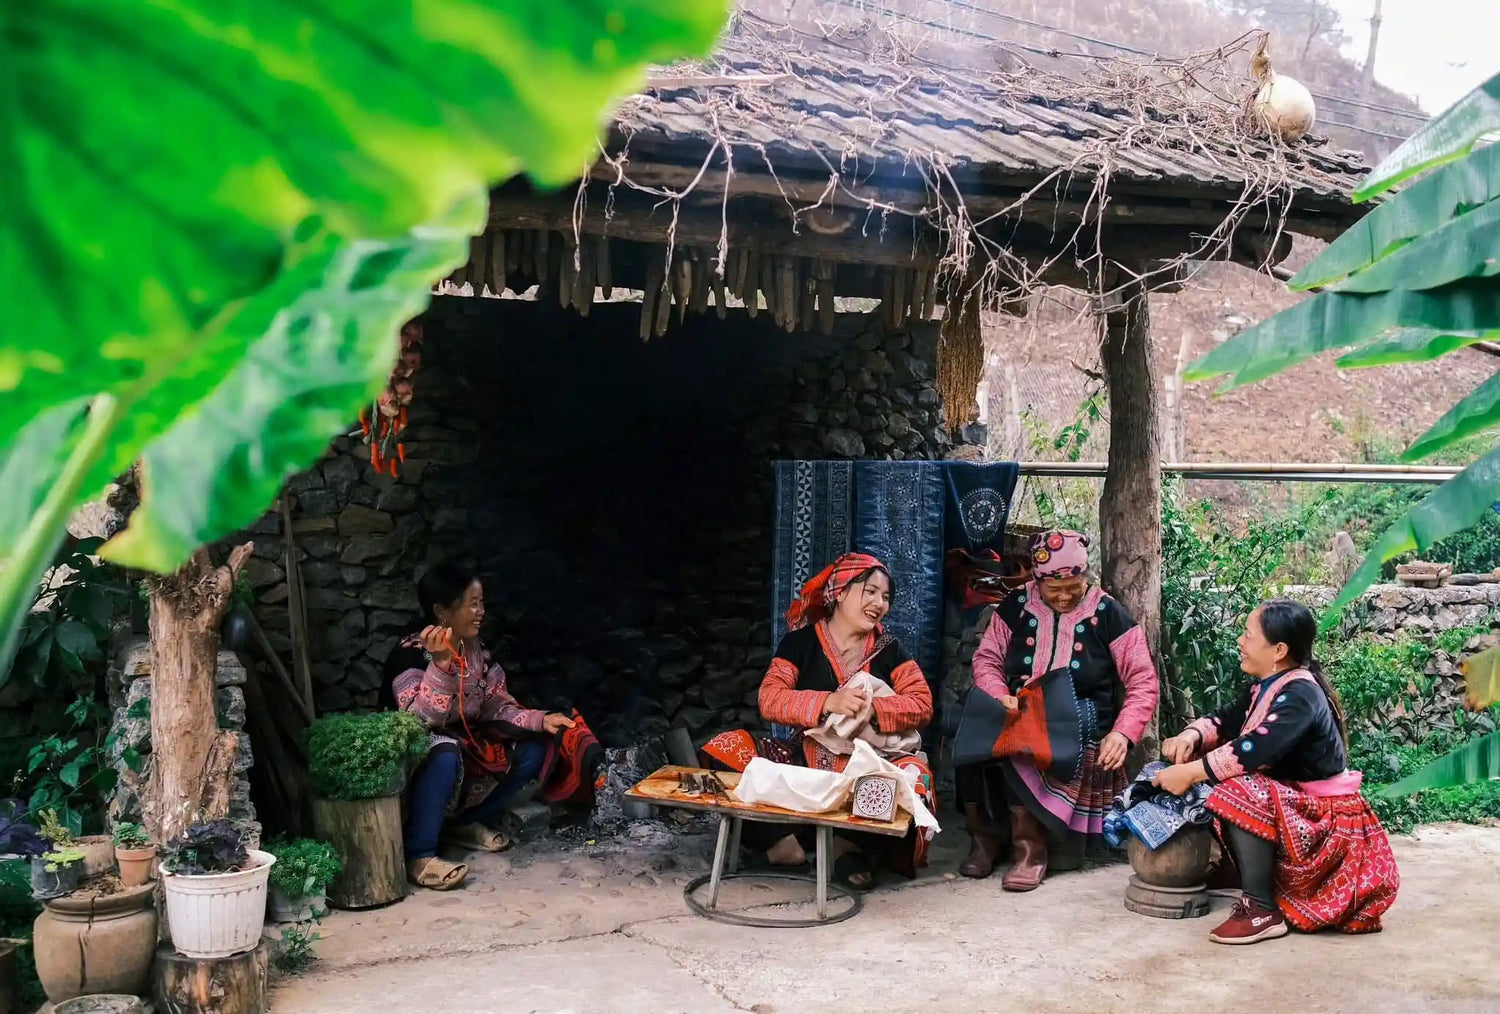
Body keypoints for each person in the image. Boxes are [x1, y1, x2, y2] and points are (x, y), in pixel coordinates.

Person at [1154, 599, 1399, 944]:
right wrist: (1190, 736)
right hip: (1295, 805)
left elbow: (1257, 749)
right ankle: (1241, 869)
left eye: (1248, 635)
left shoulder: (1301, 693)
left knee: (1238, 788)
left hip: (1322, 819)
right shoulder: (1266, 686)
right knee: (1211, 763)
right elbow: (1226, 720)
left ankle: (1261, 908)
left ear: (1279, 650)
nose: (1240, 641)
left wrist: (1190, 773)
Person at [700, 552, 935, 890]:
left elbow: (922, 704)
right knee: (727, 748)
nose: (879, 603)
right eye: (870, 592)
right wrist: (827, 702)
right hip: (805, 760)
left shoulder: (890, 650)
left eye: (885, 597)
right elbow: (769, 698)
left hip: (867, 764)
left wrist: (873, 710)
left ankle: (847, 846)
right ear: (839, 593)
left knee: (916, 775)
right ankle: (783, 844)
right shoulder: (801, 643)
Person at [955, 529, 1159, 889]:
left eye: (1073, 587)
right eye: (1054, 590)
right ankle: (984, 838)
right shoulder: (1017, 605)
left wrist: (1123, 733)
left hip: (1078, 714)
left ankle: (1030, 849)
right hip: (1018, 704)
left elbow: (1143, 680)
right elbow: (987, 659)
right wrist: (999, 694)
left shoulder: (1107, 613)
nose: (1065, 596)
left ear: (1085, 577)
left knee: (1022, 741)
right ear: (1038, 581)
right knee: (969, 728)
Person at [383, 559, 603, 891]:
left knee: (535, 748)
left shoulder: (477, 650)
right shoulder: (412, 654)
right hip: (421, 753)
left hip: (466, 744)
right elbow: (418, 722)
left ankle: (460, 824)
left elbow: (495, 705)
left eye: (481, 602)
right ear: (442, 611)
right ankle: (420, 855)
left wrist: (540, 720)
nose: (481, 611)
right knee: (444, 750)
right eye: (473, 603)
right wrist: (441, 667)